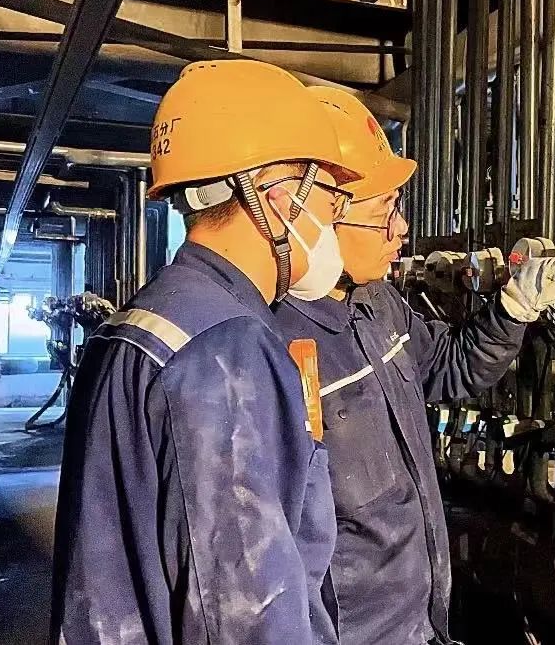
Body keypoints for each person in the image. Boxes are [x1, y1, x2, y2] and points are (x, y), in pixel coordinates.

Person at [50, 61, 367, 644]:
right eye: (330, 197)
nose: (334, 221)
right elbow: (248, 613)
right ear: (277, 198)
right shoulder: (228, 352)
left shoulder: (145, 320)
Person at [272, 87, 555, 645]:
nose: (400, 230)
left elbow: (448, 367)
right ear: (321, 218)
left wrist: (513, 309)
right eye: (384, 213)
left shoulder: (377, 303)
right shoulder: (274, 339)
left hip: (416, 617)